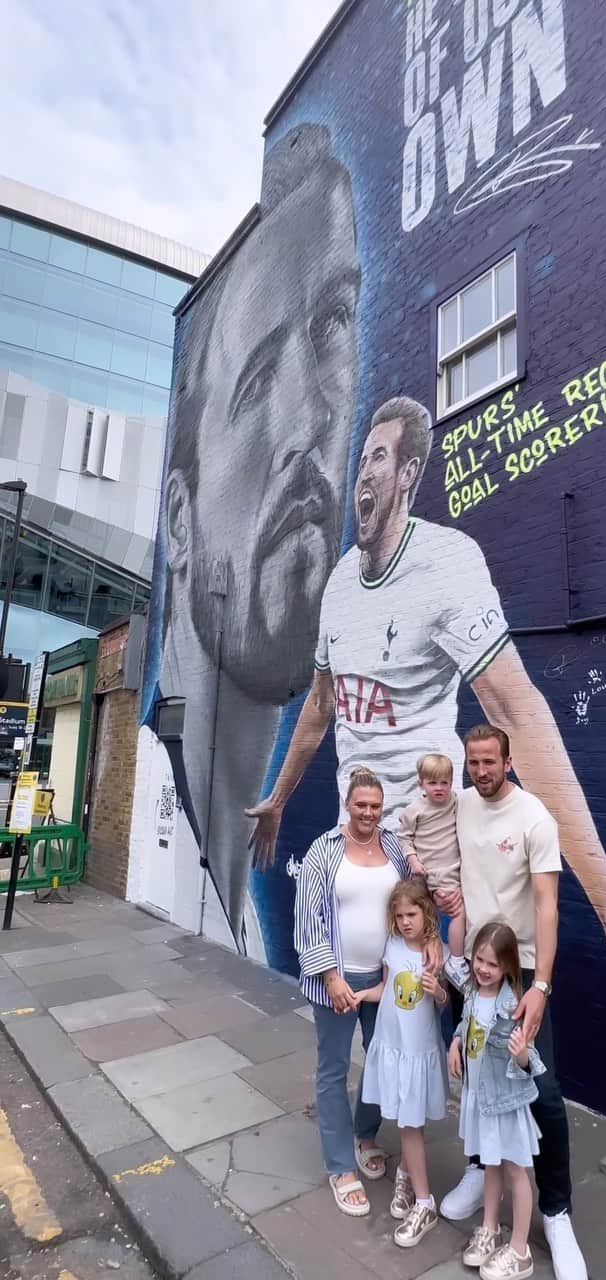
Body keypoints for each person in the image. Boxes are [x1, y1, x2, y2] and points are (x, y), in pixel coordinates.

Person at [248, 394, 606, 1085]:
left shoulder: (446, 563)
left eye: (380, 458)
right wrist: (279, 799)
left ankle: (521, 1174)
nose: (364, 476)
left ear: (408, 474)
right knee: (378, 1015)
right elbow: (320, 705)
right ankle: (390, 1139)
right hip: (366, 842)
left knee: (486, 1015)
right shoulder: (342, 584)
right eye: (362, 461)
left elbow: (517, 710)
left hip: (434, 847)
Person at [146, 122, 361, 950]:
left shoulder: (251, 921)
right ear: (177, 521)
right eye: (259, 379)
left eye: (332, 324)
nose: (313, 418)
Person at [440, 726, 582, 1280]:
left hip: (521, 971)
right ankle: (482, 1169)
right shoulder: (461, 806)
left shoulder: (534, 818)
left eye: (489, 761)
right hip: (477, 966)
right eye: (472, 762)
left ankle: (557, 1209)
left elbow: (548, 906)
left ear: (508, 760)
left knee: (540, 1089)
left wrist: (541, 985)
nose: (480, 770)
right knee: (477, 1079)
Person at [294, 767, 443, 1217]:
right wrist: (331, 977)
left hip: (390, 982)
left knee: (381, 1061)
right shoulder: (324, 850)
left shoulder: (395, 849)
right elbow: (308, 918)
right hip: (338, 981)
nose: (368, 813)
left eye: (376, 807)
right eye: (361, 805)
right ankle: (341, 1167)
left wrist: (433, 939)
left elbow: (416, 899)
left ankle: (364, 1135)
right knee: (333, 1070)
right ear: (347, 804)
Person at [448, 921, 545, 1280]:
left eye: (492, 964)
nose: (483, 969)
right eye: (479, 960)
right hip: (481, 1098)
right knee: (490, 1165)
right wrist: (456, 1042)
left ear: (507, 966)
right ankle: (490, 1228)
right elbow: (465, 1023)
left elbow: (530, 1063)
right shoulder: (474, 992)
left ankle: (520, 1250)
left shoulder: (513, 1008)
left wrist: (520, 1055)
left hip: (504, 1105)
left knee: (516, 1172)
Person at [356, 879, 450, 1247]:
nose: (406, 921)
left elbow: (444, 1002)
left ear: (425, 912)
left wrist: (438, 990)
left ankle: (423, 1201)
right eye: (400, 915)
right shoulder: (392, 947)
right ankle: (405, 1179)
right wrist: (363, 994)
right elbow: (385, 988)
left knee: (411, 1121)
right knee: (406, 1118)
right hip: (393, 1045)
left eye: (412, 913)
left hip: (418, 1050)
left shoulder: (436, 952)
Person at [396, 753, 466, 972]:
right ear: (421, 784)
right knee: (457, 913)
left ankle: (445, 957)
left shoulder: (455, 801)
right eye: (432, 783)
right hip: (431, 871)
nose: (439, 788)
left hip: (452, 869)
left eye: (444, 783)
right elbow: (404, 838)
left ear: (451, 783)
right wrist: (413, 860)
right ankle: (456, 960)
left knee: (439, 914)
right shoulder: (414, 810)